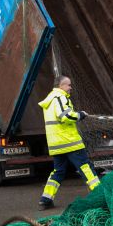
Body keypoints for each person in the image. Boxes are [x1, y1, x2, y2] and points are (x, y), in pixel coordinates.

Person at [37, 75, 100, 210]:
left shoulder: (49, 100)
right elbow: (65, 116)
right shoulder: (60, 97)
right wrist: (80, 114)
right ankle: (100, 195)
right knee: (85, 167)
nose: (70, 87)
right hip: (69, 142)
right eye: (68, 85)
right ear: (60, 86)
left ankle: (46, 199)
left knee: (58, 171)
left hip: (56, 144)